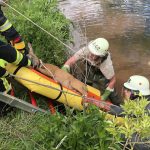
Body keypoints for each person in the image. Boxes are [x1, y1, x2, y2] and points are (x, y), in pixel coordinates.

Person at [62, 38, 120, 105]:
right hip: (90, 66)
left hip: (101, 72)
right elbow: (71, 61)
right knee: (86, 80)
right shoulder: (86, 50)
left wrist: (104, 96)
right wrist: (64, 70)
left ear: (101, 56)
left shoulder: (106, 65)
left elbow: (113, 80)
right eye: (91, 53)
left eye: (95, 55)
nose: (91, 56)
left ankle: (118, 105)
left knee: (105, 87)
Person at [108, 75, 150, 150]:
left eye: (128, 90)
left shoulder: (146, 113)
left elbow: (144, 146)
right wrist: (106, 107)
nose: (124, 91)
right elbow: (124, 111)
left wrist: (119, 133)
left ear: (137, 94)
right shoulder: (138, 104)